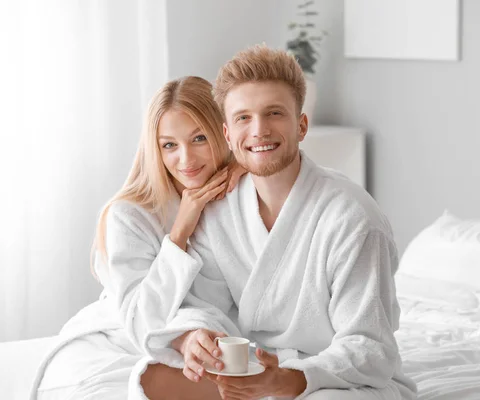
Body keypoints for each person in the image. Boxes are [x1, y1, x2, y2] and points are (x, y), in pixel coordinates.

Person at [142, 45, 417, 400]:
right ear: (227, 135)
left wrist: (288, 380)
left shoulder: (352, 218)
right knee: (152, 377)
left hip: (331, 378)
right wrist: (197, 336)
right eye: (243, 118)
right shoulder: (219, 210)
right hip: (254, 370)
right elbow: (205, 304)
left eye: (274, 113)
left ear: (301, 125)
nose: (259, 130)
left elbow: (370, 348)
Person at [32, 76, 244, 400]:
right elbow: (144, 317)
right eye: (169, 145)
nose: (186, 159)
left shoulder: (238, 192)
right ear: (154, 148)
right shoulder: (129, 215)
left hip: (209, 342)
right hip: (123, 340)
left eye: (199, 138)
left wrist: (250, 170)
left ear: (223, 133)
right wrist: (180, 231)